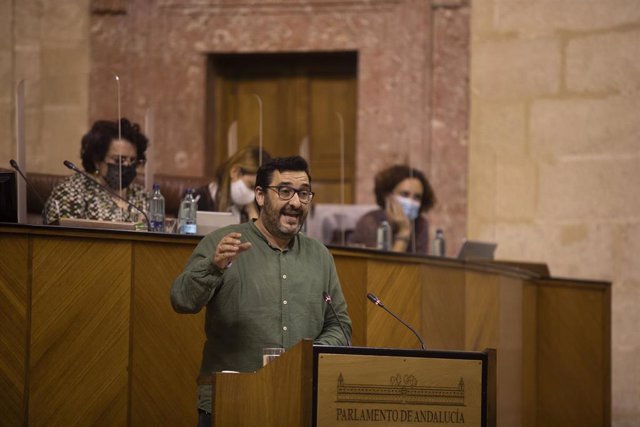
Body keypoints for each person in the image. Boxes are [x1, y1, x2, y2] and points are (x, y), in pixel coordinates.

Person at [170, 156, 352, 425]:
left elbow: (341, 327)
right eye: (285, 191)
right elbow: (181, 300)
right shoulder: (224, 242)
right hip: (230, 404)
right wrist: (214, 267)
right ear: (260, 196)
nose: (295, 203)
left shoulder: (320, 256)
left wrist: (306, 358)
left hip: (298, 403)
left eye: (303, 193)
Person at [43, 118, 149, 225]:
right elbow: (61, 238)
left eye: (132, 160)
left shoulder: (142, 195)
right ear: (97, 160)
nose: (127, 165)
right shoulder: (70, 192)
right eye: (119, 160)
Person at [349, 164, 436, 253]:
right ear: (388, 197)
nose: (411, 201)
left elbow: (420, 265)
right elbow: (385, 266)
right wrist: (404, 231)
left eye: (417, 197)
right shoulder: (370, 222)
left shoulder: (420, 224)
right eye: (405, 194)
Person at [192, 146, 271, 222]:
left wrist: (251, 211)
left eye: (258, 190)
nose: (253, 195)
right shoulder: (197, 199)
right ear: (235, 172)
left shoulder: (252, 205)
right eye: (251, 186)